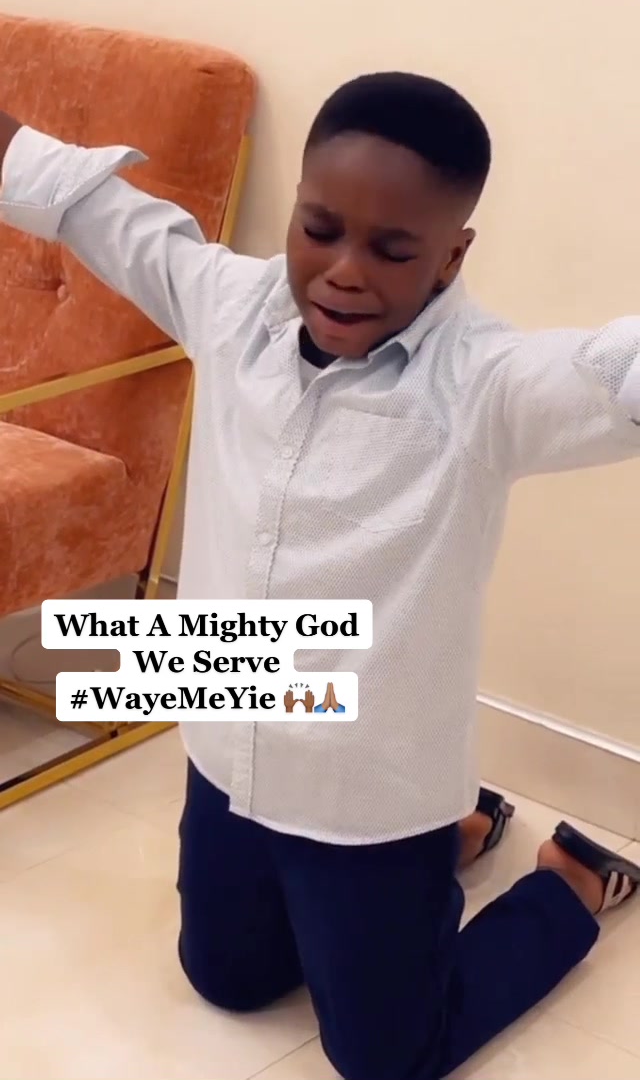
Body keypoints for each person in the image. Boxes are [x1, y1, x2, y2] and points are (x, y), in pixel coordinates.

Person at [0, 73, 638, 1080]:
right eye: (320, 229)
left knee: (385, 1059)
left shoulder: (486, 383)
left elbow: (613, 376)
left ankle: (565, 886)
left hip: (368, 792)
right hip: (229, 743)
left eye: (392, 250)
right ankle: (465, 833)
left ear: (452, 254)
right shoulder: (234, 304)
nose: (343, 272)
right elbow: (93, 208)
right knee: (225, 979)